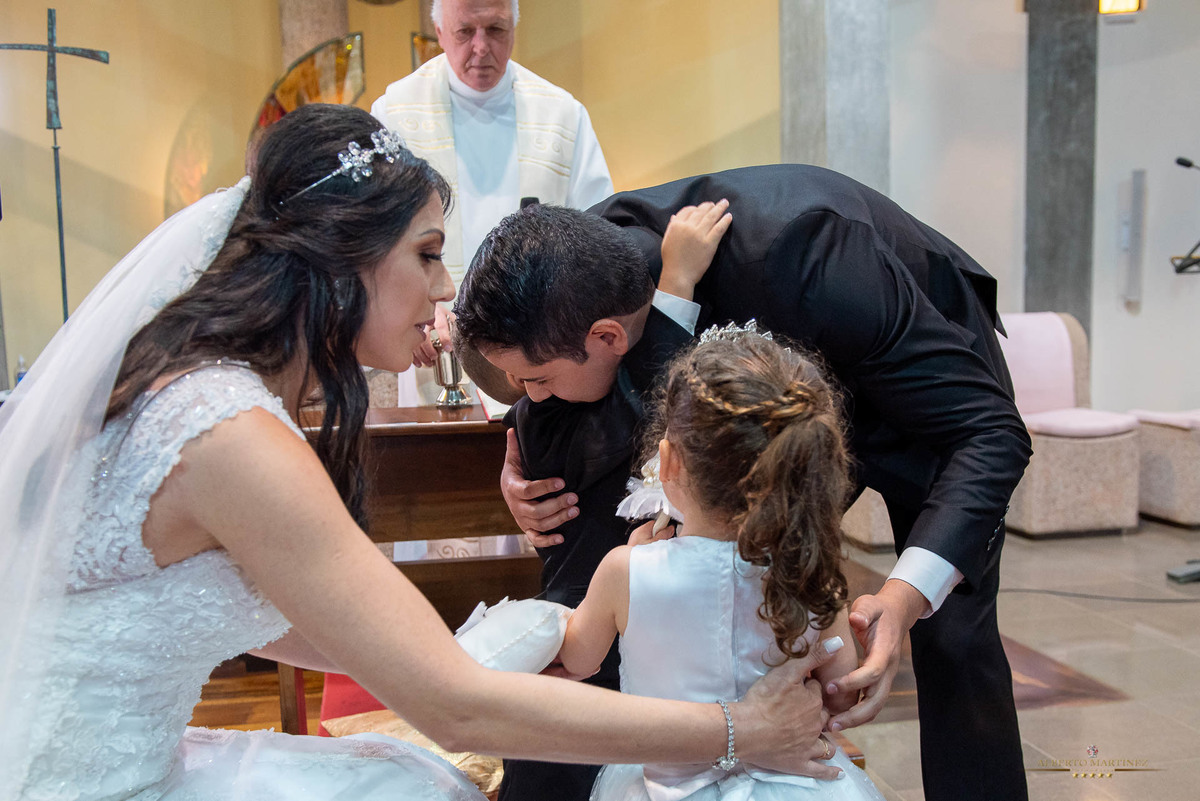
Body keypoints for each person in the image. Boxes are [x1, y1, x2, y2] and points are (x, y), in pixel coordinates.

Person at [0, 109, 841, 801]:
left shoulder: (207, 395)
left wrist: (456, 649)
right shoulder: (226, 431)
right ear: (344, 260)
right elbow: (457, 712)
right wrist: (737, 730)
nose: (444, 290)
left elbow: (291, 621)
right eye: (429, 254)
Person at [453, 165, 1034, 801]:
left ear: (610, 335)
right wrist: (526, 466)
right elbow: (557, 381)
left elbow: (991, 434)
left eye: (536, 386)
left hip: (922, 405)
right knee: (648, 570)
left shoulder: (811, 253)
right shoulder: (576, 274)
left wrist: (901, 598)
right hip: (759, 430)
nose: (533, 400)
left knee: (953, 636)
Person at [558, 329, 887, 801]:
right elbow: (839, 695)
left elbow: (577, 659)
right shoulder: (811, 576)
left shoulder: (624, 572)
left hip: (665, 785)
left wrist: (635, 559)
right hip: (797, 781)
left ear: (667, 463)